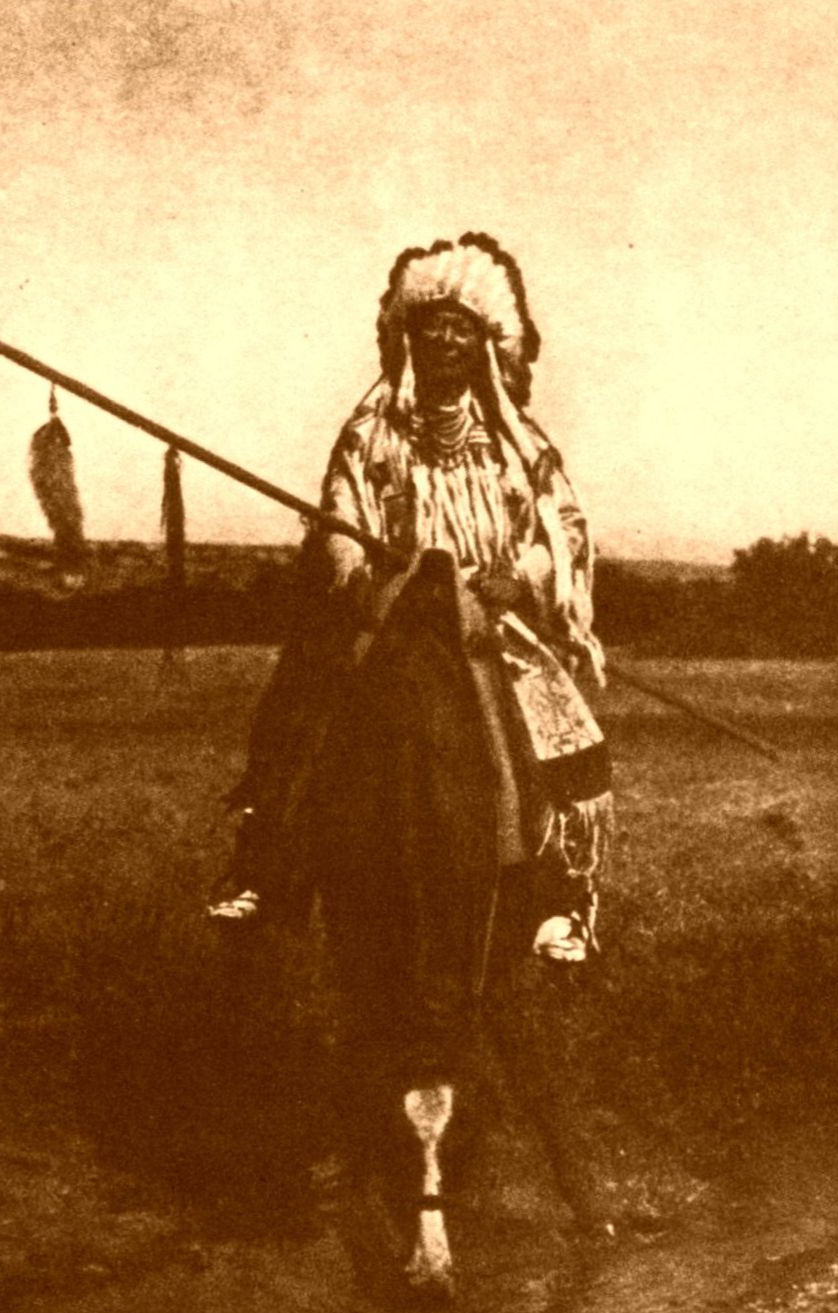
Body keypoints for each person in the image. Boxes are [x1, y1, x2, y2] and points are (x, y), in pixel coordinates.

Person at [210, 231, 612, 1099]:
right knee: (307, 702)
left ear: (486, 345)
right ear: (407, 337)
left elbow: (561, 528)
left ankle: (559, 897)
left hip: (486, 619)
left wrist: (520, 578)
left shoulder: (516, 445)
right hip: (392, 614)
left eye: (462, 329)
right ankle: (266, 867)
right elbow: (339, 517)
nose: (445, 340)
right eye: (431, 327)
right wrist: (361, 572)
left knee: (558, 726)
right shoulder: (371, 434)